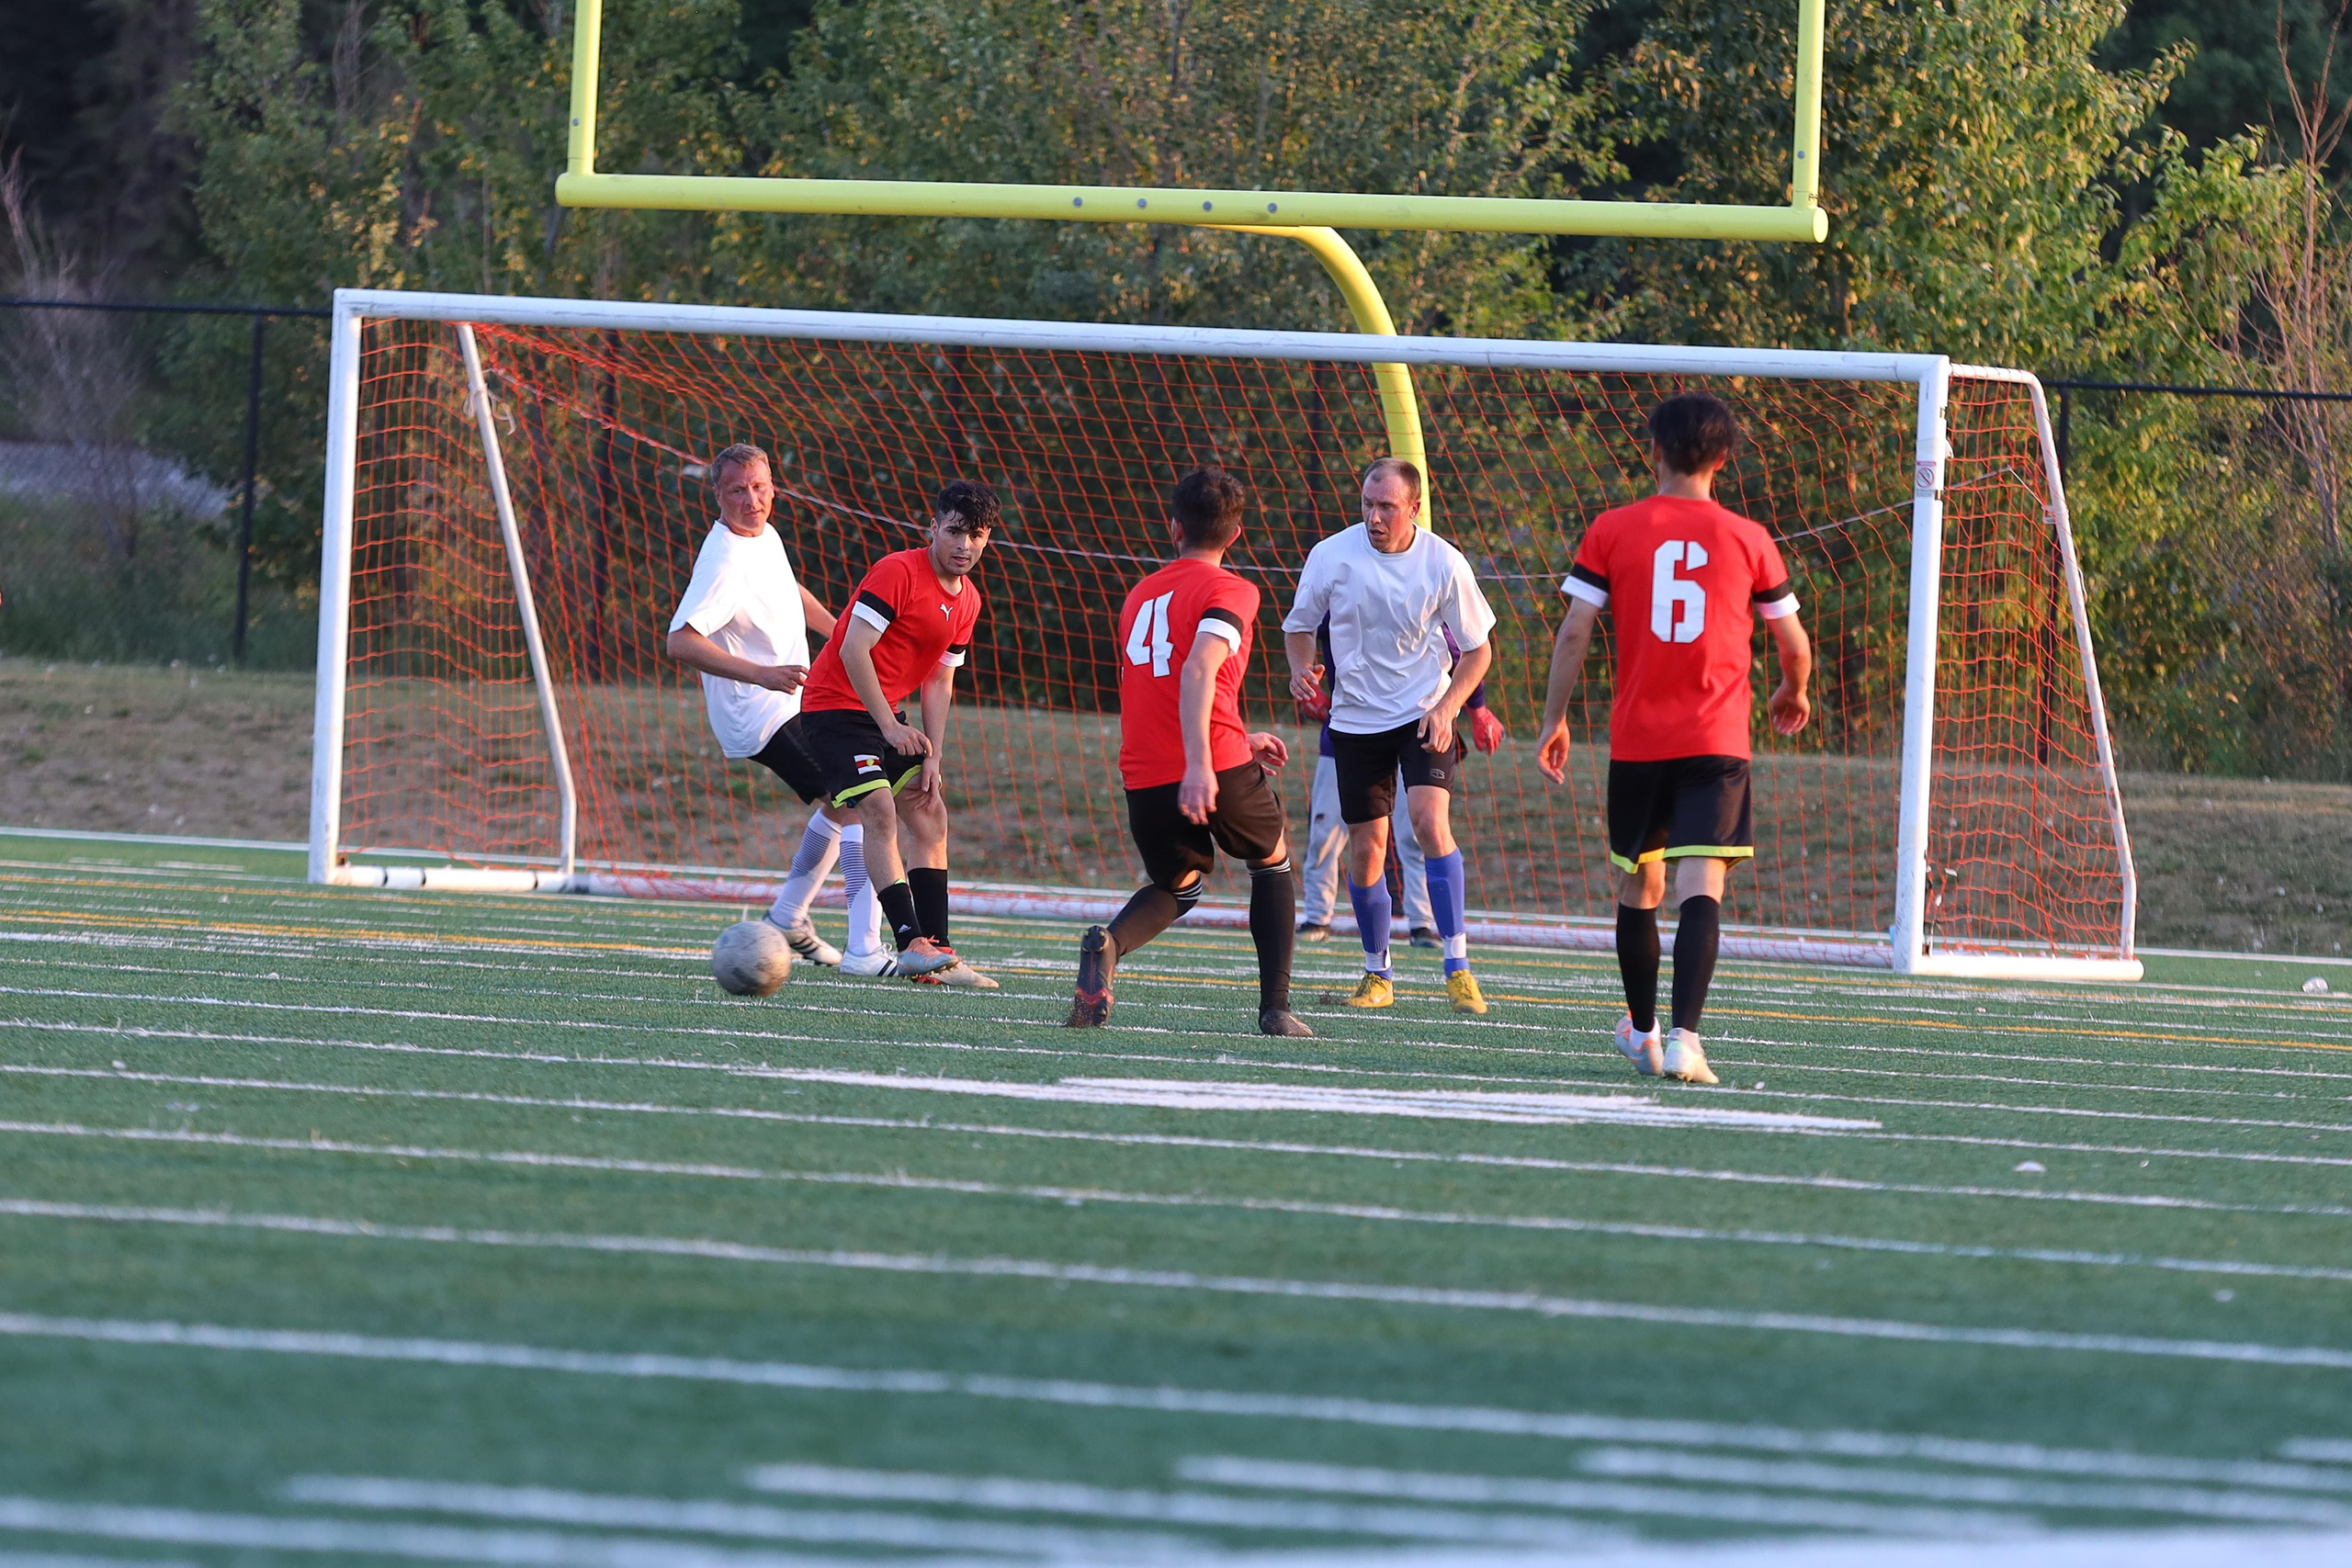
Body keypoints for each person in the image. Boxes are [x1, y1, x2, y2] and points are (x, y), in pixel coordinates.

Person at [1533, 392, 1814, 1085]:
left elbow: (1574, 631)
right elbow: (1793, 642)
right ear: (1723, 459)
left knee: (1640, 883)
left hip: (1638, 742)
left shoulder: (1612, 528)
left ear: (1650, 451)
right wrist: (1793, 690)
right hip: (1716, 741)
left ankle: (1644, 1031)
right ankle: (1688, 1038)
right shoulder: (1749, 537)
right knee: (1701, 887)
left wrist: (1554, 718)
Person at [1068, 467, 1309, 1036]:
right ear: (1237, 534)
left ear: (1174, 527)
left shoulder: (1139, 594)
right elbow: (1200, 666)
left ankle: (1110, 943)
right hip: (1210, 762)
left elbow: (1152, 684)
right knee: (1271, 860)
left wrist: (1236, 735)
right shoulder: (1233, 589)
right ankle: (1275, 1008)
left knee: (1179, 884)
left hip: (1145, 768)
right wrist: (1204, 762)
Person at [662, 443, 893, 976]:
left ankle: (789, 915)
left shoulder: (764, 536)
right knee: (864, 802)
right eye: (738, 489)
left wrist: (842, 637)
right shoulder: (722, 559)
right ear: (716, 493)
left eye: (760, 487)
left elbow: (788, 590)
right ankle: (864, 950)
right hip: (759, 712)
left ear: (773, 487)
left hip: (794, 699)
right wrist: (763, 674)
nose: (752, 499)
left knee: (845, 802)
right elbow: (680, 642)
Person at [1282, 457, 1498, 1015]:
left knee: (1429, 822)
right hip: (1355, 720)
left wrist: (1451, 706)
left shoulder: (1444, 561)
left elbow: (1478, 651)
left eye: (1387, 507)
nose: (1375, 518)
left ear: (1414, 509)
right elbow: (1299, 628)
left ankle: (1458, 965)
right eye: (1368, 505)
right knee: (1366, 851)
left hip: (1425, 712)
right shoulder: (1330, 555)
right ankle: (1377, 972)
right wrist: (1301, 670)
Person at [769, 479, 1001, 987]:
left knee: (929, 810)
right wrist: (891, 726)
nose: (966, 545)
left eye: (978, 535)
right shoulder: (897, 571)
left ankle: (937, 952)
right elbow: (853, 650)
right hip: (834, 707)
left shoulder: (969, 601)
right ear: (934, 528)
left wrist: (933, 757)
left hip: (883, 715)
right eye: (956, 532)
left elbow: (941, 680)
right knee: (875, 808)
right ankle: (906, 940)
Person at [1296, 625, 1505, 943]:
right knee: (1330, 832)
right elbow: (1303, 626)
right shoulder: (1338, 576)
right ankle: (1317, 918)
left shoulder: (1426, 582)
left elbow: (1466, 648)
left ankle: (1422, 923)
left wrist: (1478, 710)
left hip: (1414, 730)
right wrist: (1304, 677)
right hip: (1351, 729)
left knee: (1420, 830)